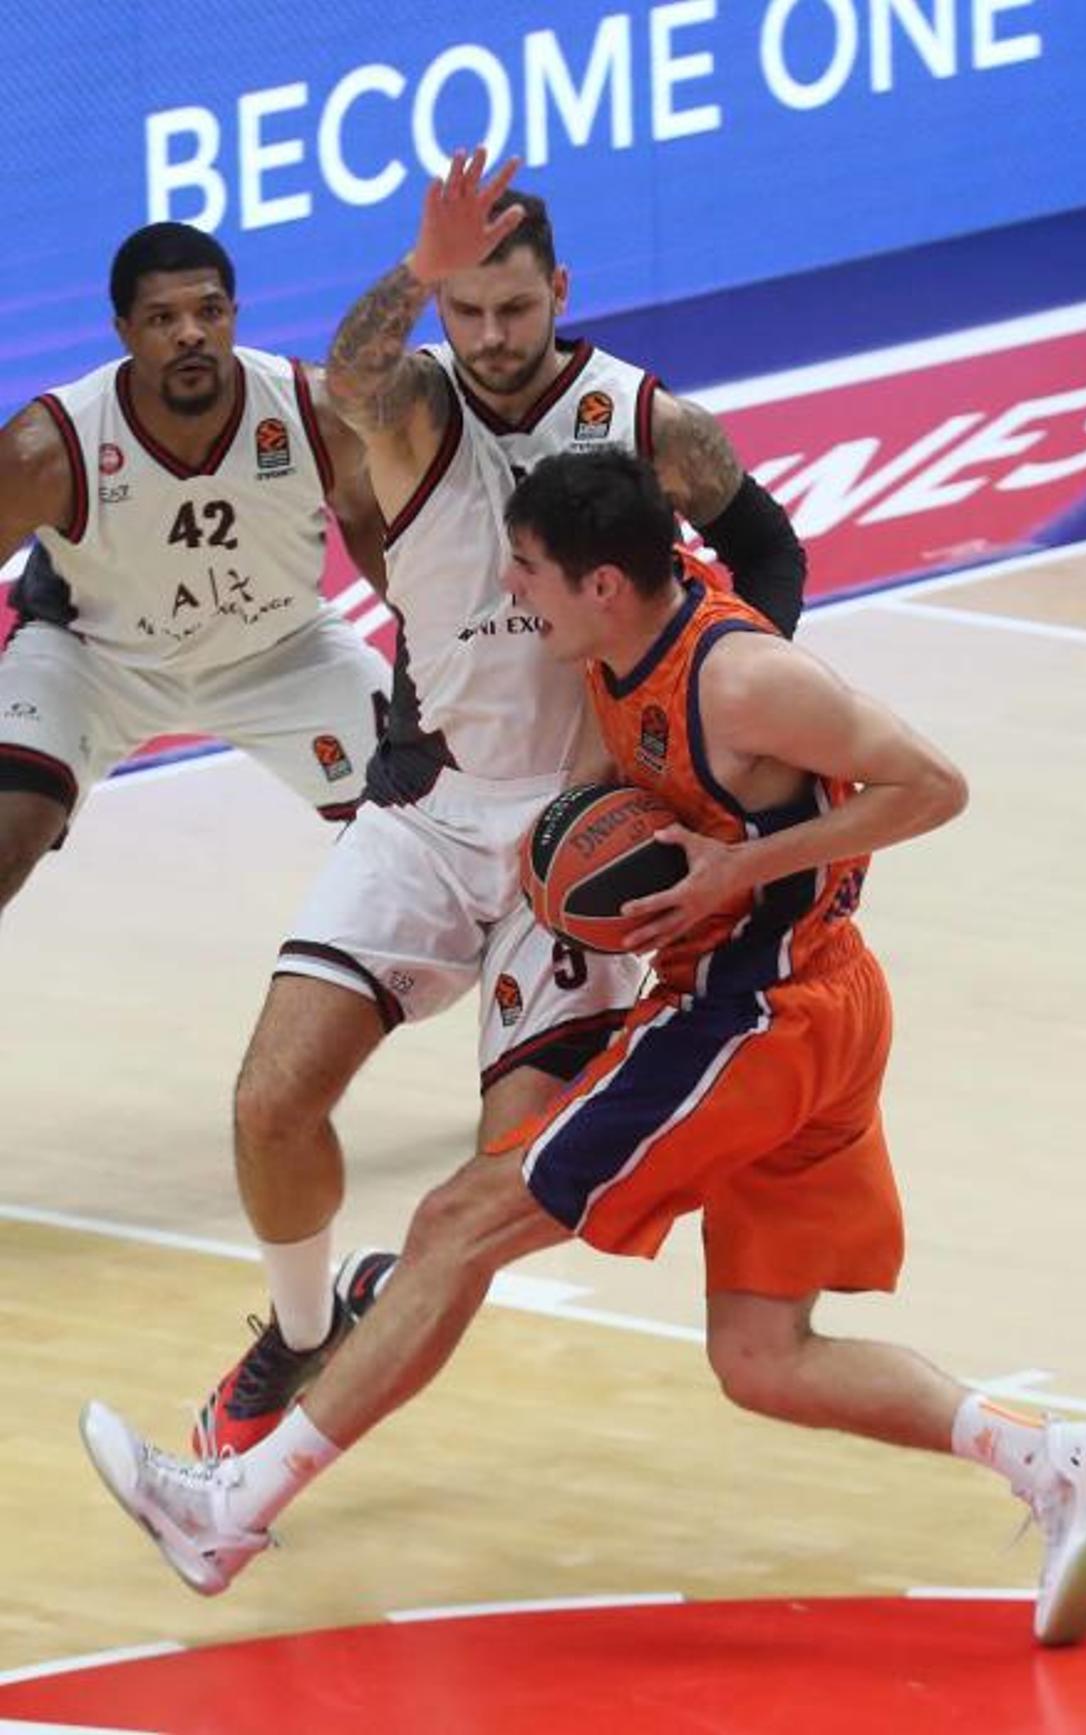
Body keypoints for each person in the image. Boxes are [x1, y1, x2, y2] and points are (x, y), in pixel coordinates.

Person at [81, 449, 1086, 1648]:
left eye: (528, 568)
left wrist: (739, 866)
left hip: (751, 1014)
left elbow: (934, 785)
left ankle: (228, 1509)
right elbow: (609, 782)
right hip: (817, 1010)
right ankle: (1051, 1459)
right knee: (763, 1354)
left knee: (458, 1220)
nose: (511, 585)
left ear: (601, 584)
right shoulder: (615, 646)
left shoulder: (744, 679)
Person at [193, 148, 808, 1456]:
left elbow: (770, 548)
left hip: (584, 830)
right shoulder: (414, 406)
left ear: (560, 292)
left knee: (508, 1182)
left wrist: (715, 732)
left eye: (514, 308)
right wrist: (413, 268)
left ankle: (382, 1306)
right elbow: (349, 377)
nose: (489, 335)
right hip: (429, 812)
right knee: (268, 1101)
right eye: (464, 308)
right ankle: (303, 1329)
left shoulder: (641, 420)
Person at [0, 222, 392, 913]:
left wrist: (445, 650)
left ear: (234, 315)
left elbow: (370, 524)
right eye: (162, 319)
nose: (190, 334)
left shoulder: (314, 412)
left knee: (435, 828)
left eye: (208, 311)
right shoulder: (47, 448)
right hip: (95, 663)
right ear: (123, 331)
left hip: (286, 652)